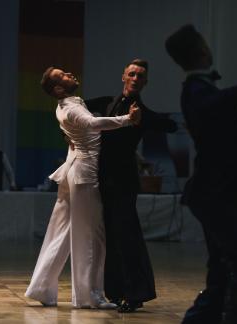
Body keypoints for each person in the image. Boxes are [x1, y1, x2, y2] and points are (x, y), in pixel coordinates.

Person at [165, 25, 237, 324]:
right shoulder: (198, 91)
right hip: (213, 195)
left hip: (218, 194)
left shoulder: (203, 90)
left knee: (223, 270)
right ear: (202, 52)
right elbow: (217, 103)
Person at [25, 67, 140, 309]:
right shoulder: (72, 108)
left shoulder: (65, 106)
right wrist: (127, 120)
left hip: (73, 169)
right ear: (58, 88)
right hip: (84, 175)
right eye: (63, 75)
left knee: (62, 231)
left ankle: (43, 288)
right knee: (91, 237)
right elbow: (93, 123)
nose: (69, 74)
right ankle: (89, 296)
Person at [84, 59, 177, 312]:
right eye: (132, 74)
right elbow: (76, 107)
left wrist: (146, 120)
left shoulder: (143, 113)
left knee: (127, 236)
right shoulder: (106, 102)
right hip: (102, 179)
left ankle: (136, 293)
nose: (135, 78)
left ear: (145, 83)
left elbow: (169, 124)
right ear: (124, 76)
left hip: (123, 182)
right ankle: (115, 291)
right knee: (111, 237)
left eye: (141, 76)